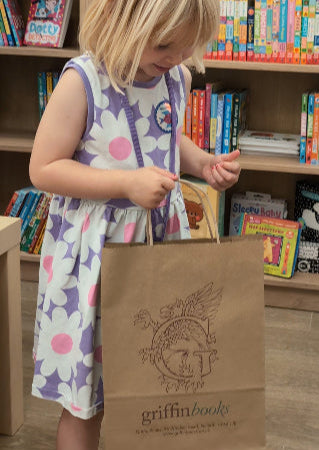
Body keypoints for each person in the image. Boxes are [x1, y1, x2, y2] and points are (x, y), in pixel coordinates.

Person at [28, 1, 240, 449]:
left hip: (157, 250)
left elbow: (166, 133)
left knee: (154, 385)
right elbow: (43, 168)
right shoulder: (83, 82)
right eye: (164, 44)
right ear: (117, 23)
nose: (176, 57)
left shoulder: (175, 78)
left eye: (187, 46)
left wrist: (202, 162)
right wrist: (126, 183)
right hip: (95, 262)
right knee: (87, 397)